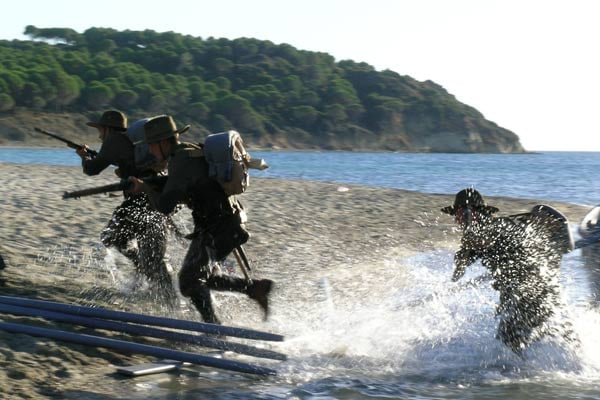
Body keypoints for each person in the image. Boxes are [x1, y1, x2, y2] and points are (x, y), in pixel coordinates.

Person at [128, 114, 272, 324]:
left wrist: (145, 188)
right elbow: (190, 184)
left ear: (163, 142)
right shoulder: (188, 152)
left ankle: (214, 328)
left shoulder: (180, 161)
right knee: (206, 277)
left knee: (188, 282)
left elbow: (165, 206)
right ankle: (255, 289)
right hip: (224, 223)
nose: (149, 150)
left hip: (219, 227)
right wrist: (157, 184)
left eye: (151, 145)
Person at [441, 188, 574, 354]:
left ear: (467, 212)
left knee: (508, 350)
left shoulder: (494, 228)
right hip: (540, 292)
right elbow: (458, 271)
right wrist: (463, 257)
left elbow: (485, 239)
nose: (456, 220)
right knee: (560, 342)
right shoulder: (491, 230)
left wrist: (470, 235)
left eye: (458, 214)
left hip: (526, 294)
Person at [76, 110, 177, 304]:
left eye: (100, 130)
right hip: (155, 199)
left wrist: (83, 156)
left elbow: (92, 169)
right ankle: (168, 298)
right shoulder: (133, 144)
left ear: (108, 129)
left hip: (137, 203)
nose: (99, 135)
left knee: (111, 238)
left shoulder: (113, 141)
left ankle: (163, 292)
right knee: (154, 258)